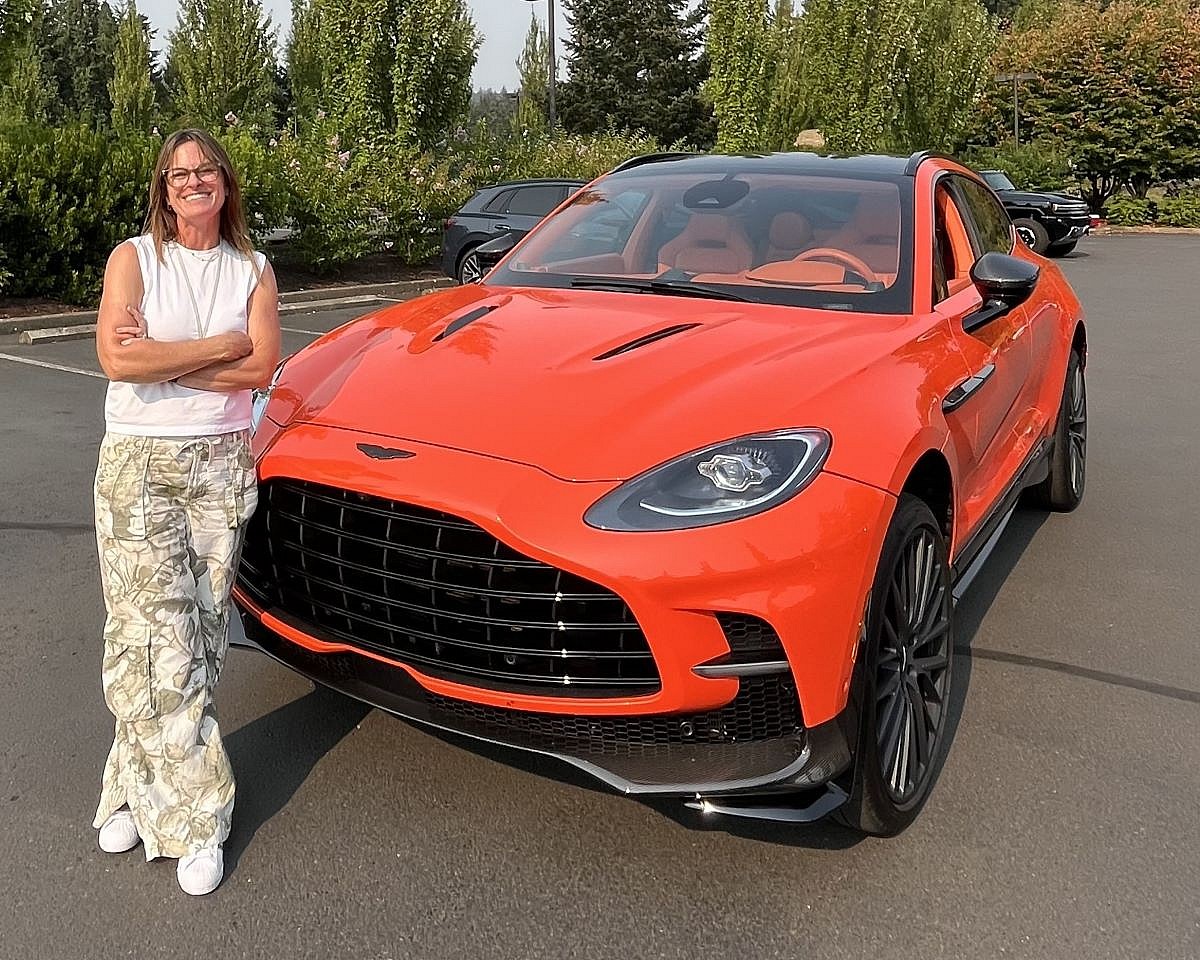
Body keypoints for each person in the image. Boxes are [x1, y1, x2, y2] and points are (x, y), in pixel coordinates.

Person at [91, 127, 280, 896]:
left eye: (205, 171)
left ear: (225, 184)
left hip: (221, 468)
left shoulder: (255, 269)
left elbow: (263, 364)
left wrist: (167, 364)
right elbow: (116, 359)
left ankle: (132, 786)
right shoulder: (134, 258)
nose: (193, 183)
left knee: (197, 639)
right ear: (162, 190)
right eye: (178, 174)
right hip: (139, 467)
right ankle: (200, 817)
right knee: (152, 637)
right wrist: (217, 349)